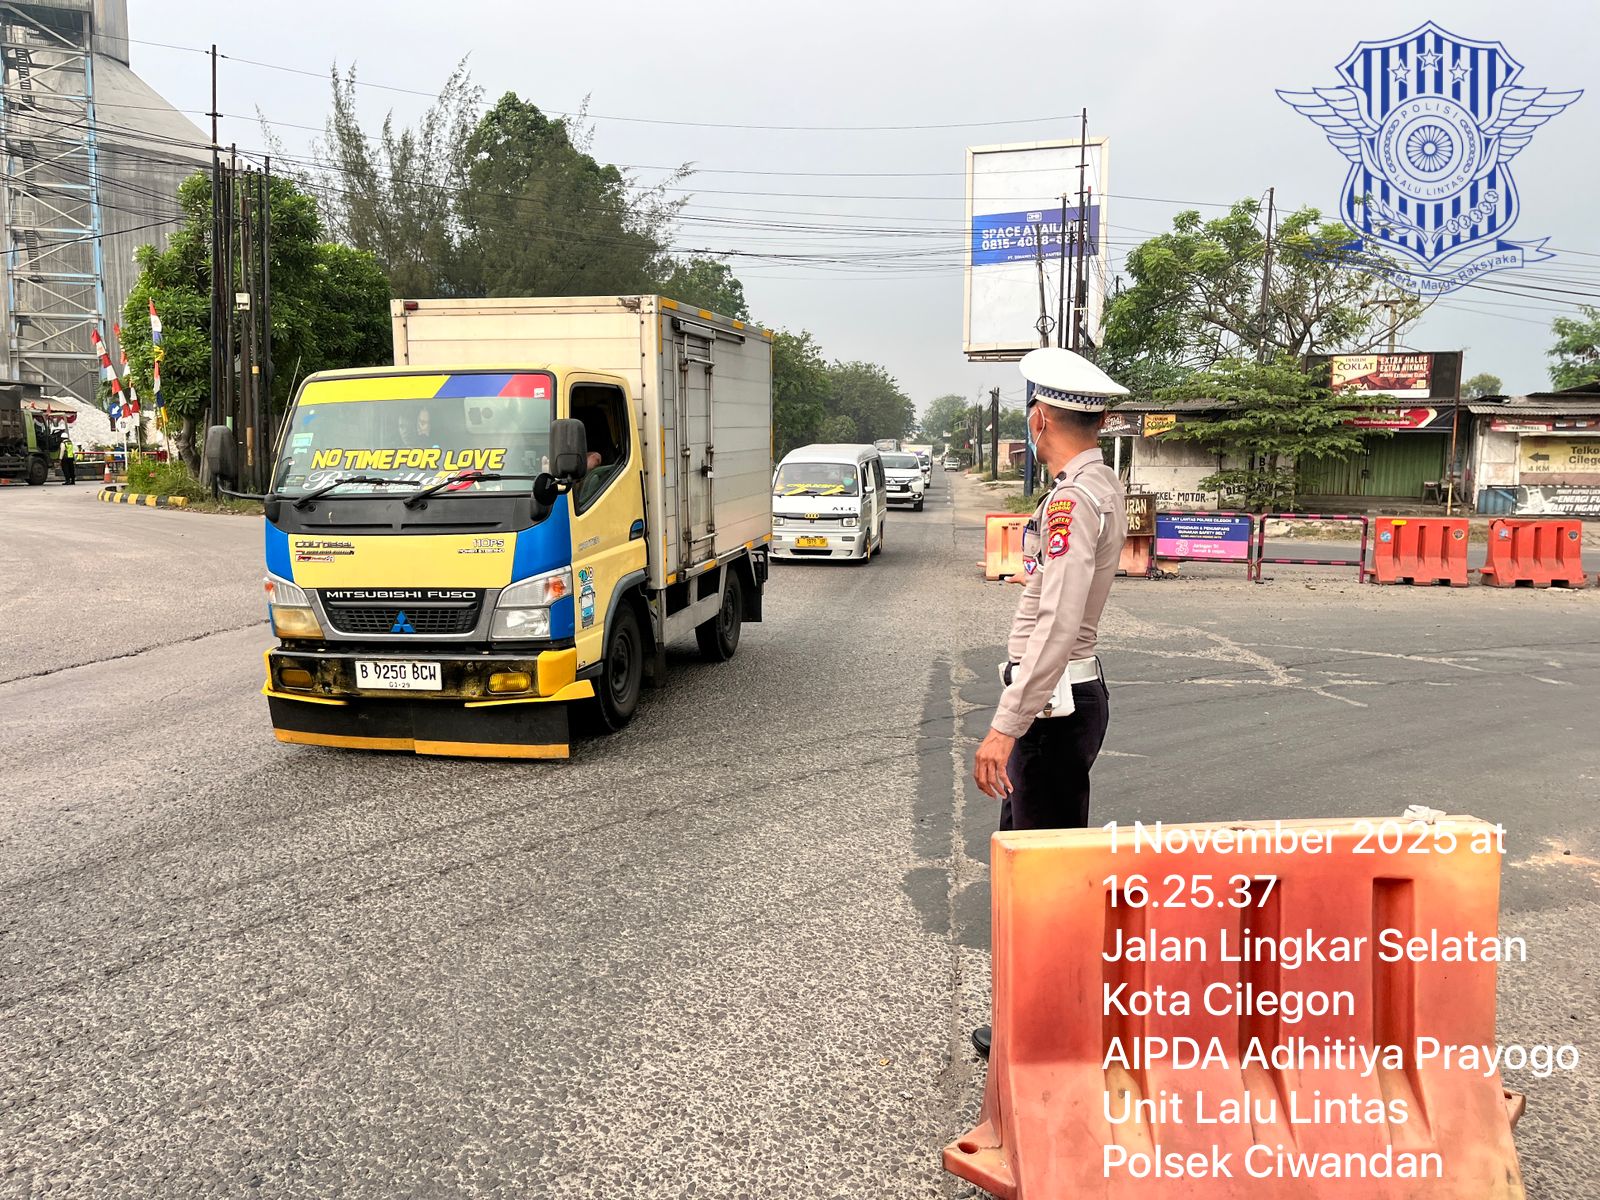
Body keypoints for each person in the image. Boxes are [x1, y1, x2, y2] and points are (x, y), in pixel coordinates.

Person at [970, 347, 1129, 1058]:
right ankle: (1034, 1018)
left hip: (1053, 710)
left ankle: (1047, 1032)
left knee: (1045, 878)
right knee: (1031, 858)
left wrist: (1007, 725)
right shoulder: (1100, 484)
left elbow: (1059, 624)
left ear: (1039, 419)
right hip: (1068, 698)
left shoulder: (1070, 500)